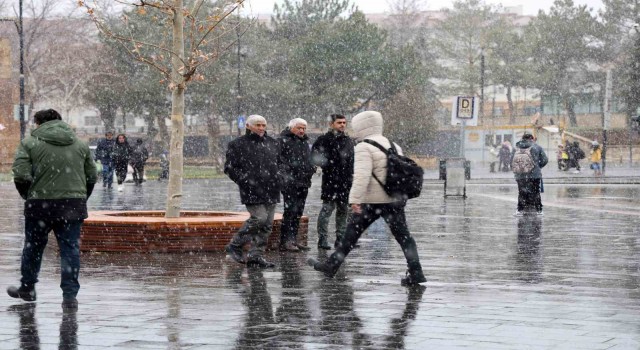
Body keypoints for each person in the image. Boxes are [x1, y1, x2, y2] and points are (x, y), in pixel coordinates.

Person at [308, 111, 427, 286]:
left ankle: (331, 266)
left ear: (361, 126)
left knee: (351, 234)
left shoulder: (363, 146)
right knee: (404, 237)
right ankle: (416, 272)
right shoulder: (393, 144)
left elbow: (361, 176)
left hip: (373, 201)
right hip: (394, 199)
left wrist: (355, 199)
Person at [8, 108, 97, 310]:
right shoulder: (80, 144)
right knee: (69, 250)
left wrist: (29, 195)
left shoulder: (29, 143)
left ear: (38, 123)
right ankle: (69, 296)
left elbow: (21, 175)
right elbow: (92, 176)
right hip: (72, 205)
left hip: (40, 205)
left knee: (33, 247)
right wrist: (81, 197)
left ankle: (28, 288)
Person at [224, 114, 281, 268]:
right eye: (257, 125)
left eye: (263, 125)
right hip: (252, 189)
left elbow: (280, 164)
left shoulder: (273, 143)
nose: (261, 128)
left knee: (267, 224)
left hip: (272, 189)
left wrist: (280, 178)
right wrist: (245, 181)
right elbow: (230, 168)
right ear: (248, 126)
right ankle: (235, 245)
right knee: (259, 218)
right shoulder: (237, 144)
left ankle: (256, 255)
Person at [311, 114, 355, 250]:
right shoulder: (323, 139)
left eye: (344, 122)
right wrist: (327, 166)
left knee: (343, 211)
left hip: (346, 181)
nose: (342, 125)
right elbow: (315, 156)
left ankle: (340, 239)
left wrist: (352, 175)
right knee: (327, 210)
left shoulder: (348, 140)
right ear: (332, 124)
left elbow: (352, 160)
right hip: (330, 181)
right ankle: (322, 239)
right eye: (339, 122)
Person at [278, 118, 316, 252]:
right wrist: (286, 176)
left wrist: (311, 169)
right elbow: (279, 161)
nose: (302, 131)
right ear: (291, 127)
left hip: (303, 182)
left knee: (298, 211)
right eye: (299, 128)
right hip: (290, 183)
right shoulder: (283, 140)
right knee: (290, 211)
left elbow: (309, 159)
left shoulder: (305, 141)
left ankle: (293, 239)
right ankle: (286, 241)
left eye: (304, 128)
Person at [511, 131, 548, 216]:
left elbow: (511, 162)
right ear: (531, 138)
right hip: (534, 175)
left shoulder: (516, 147)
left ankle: (520, 210)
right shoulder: (537, 147)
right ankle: (539, 210)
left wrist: (518, 169)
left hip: (520, 175)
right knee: (536, 192)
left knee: (521, 192)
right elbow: (545, 160)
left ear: (522, 138)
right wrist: (538, 167)